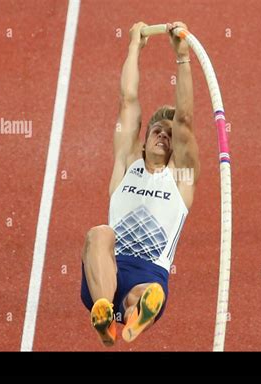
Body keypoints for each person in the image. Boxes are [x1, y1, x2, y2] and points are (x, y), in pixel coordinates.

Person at [80, 21, 200, 346]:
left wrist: (182, 57)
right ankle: (104, 313)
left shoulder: (181, 179)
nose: (164, 134)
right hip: (108, 268)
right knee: (98, 233)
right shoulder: (126, 165)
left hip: (150, 273)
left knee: (149, 294)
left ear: (176, 149)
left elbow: (186, 119)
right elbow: (127, 100)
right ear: (143, 143)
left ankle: (134, 318)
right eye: (157, 131)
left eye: (169, 134)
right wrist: (135, 45)